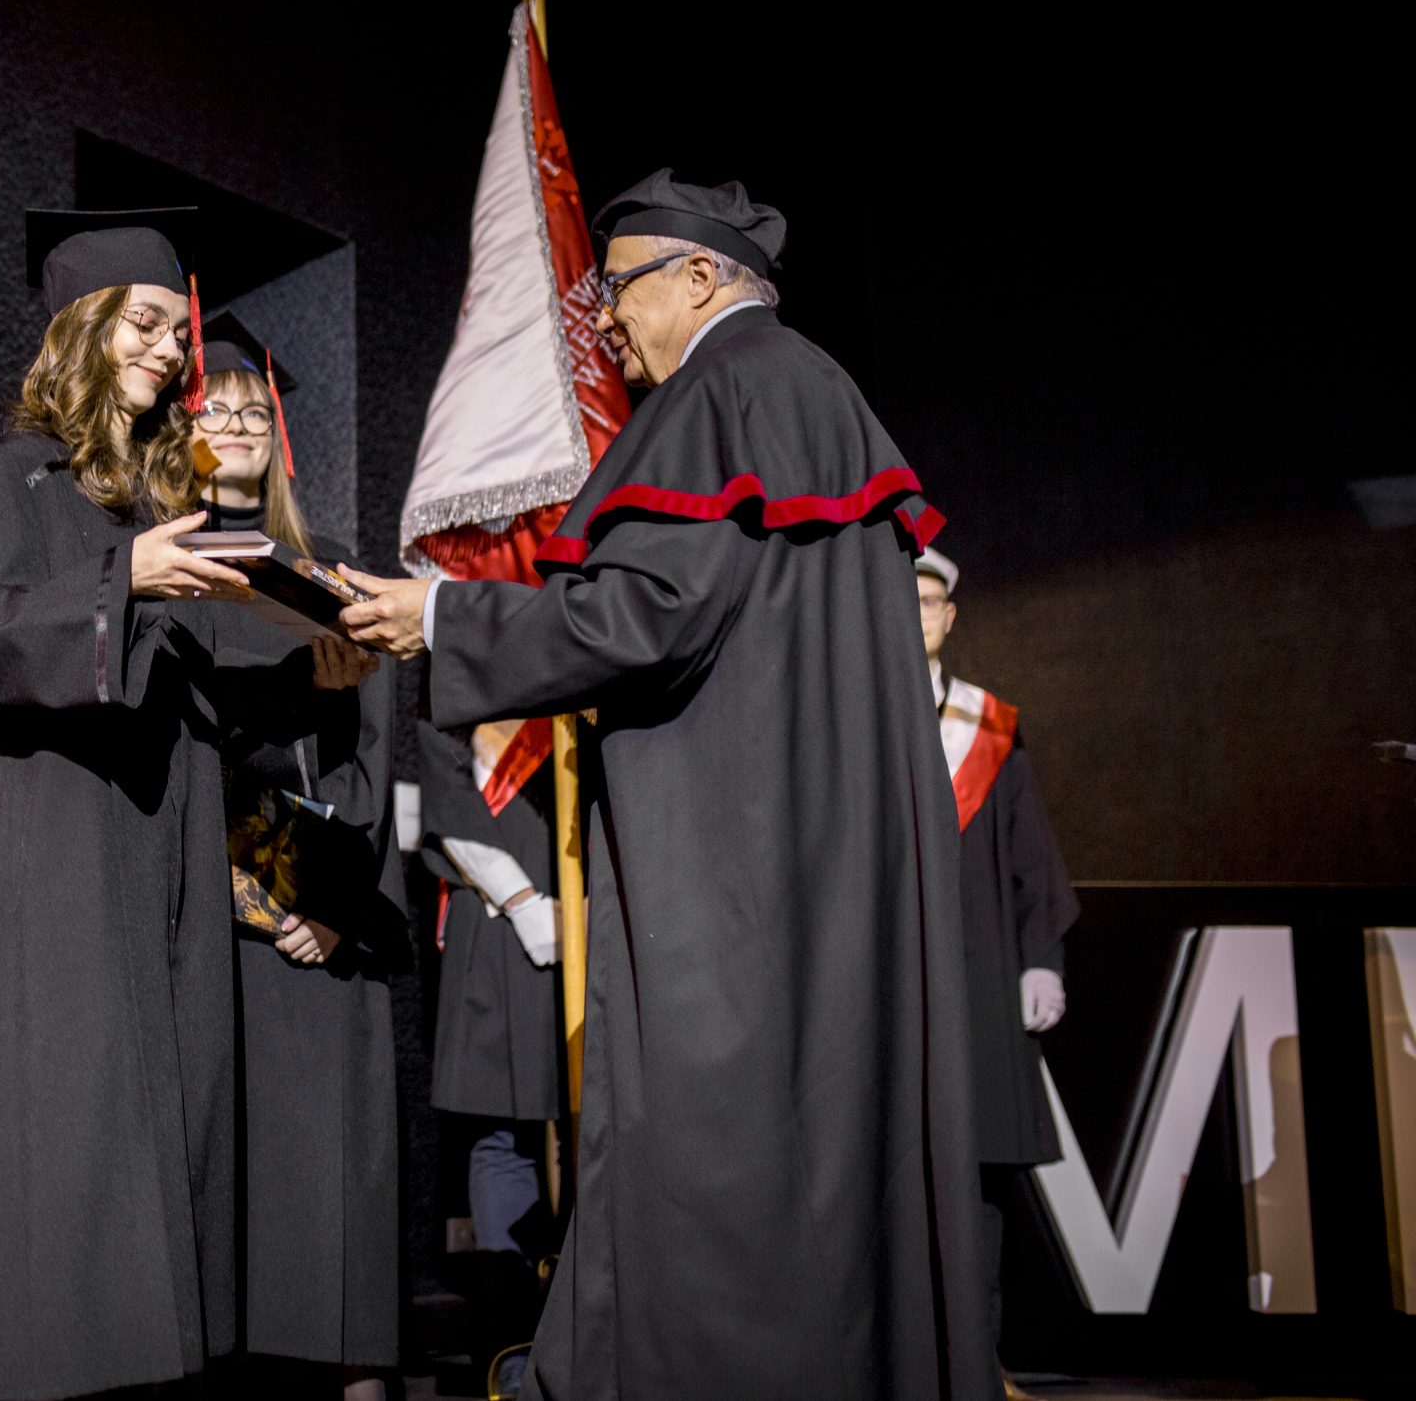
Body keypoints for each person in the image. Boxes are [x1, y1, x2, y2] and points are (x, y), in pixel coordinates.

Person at [337, 170, 995, 1401]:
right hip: (821, 853)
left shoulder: (722, 391)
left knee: (718, 1150)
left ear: (698, 279)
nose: (604, 325)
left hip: (731, 864)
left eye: (618, 290)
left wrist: (441, 615)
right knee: (827, 1144)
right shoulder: (818, 392)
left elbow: (642, 618)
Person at [0, 210, 259, 1400]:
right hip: (54, 859)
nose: (170, 349)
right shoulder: (18, 473)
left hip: (153, 849)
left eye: (177, 331)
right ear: (84, 327)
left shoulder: (151, 494)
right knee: (67, 1139)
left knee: (162, 1134)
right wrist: (125, 578)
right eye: (147, 325)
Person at [190, 315, 400, 1400]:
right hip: (198, 935)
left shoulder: (327, 578)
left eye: (252, 413)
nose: (235, 425)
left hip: (311, 936)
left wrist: (333, 906)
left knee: (320, 1206)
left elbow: (372, 763)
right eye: (211, 407)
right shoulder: (160, 575)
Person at [917, 546, 1078, 1398]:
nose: (915, 613)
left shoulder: (989, 728)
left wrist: (1041, 960)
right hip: (886, 988)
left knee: (978, 1178)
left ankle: (977, 1363)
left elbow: (1030, 859)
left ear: (950, 616)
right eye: (901, 599)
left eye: (928, 600)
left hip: (978, 983)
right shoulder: (849, 719)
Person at [412, 702, 561, 1346]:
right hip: (496, 925)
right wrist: (523, 902)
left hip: (581, 912)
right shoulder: (447, 706)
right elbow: (439, 805)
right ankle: (513, 1344)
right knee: (500, 1132)